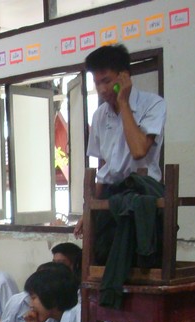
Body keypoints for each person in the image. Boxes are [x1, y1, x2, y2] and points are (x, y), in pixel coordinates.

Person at [74, 44, 166, 238]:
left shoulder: (153, 104)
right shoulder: (99, 115)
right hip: (110, 195)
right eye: (97, 83)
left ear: (124, 77)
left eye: (106, 81)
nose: (102, 89)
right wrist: (87, 211)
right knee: (102, 251)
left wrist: (123, 102)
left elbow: (139, 150)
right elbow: (104, 168)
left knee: (140, 252)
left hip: (143, 194)